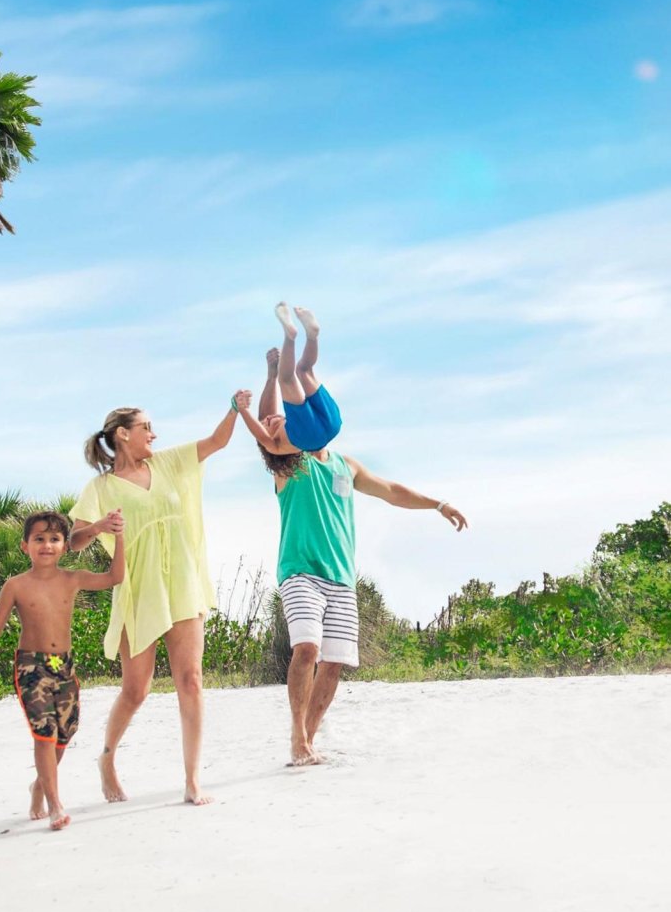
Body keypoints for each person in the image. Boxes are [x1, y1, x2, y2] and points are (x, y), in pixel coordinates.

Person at [234, 383, 468, 765]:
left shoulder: (346, 465)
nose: (277, 423)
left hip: (341, 577)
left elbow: (391, 490)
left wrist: (437, 504)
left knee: (335, 661)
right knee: (307, 647)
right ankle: (297, 735)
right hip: (299, 572)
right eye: (274, 424)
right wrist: (273, 374)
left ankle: (308, 740)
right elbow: (267, 425)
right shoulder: (288, 463)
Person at [69, 397, 247, 806]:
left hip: (183, 582)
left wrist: (235, 409)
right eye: (146, 426)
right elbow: (75, 542)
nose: (154, 433)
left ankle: (192, 780)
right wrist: (100, 526)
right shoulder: (100, 487)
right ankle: (108, 760)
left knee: (191, 680)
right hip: (139, 589)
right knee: (136, 690)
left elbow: (217, 442)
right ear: (122, 434)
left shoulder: (167, 463)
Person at [0, 509, 126, 830]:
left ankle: (39, 787)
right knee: (44, 733)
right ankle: (55, 805)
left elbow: (115, 577)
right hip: (32, 666)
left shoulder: (72, 578)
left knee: (64, 734)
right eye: (39, 539)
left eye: (55, 539)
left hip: (63, 666)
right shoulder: (15, 586)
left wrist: (116, 534)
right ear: (24, 546)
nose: (47, 545)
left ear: (65, 546)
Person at [238, 303, 341, 458]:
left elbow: (265, 419)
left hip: (330, 426)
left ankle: (312, 335)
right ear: (268, 433)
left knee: (304, 370)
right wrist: (243, 410)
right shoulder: (274, 445)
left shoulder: (291, 427)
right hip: (318, 431)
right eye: (266, 423)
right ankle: (291, 336)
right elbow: (258, 431)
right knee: (287, 378)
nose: (270, 417)